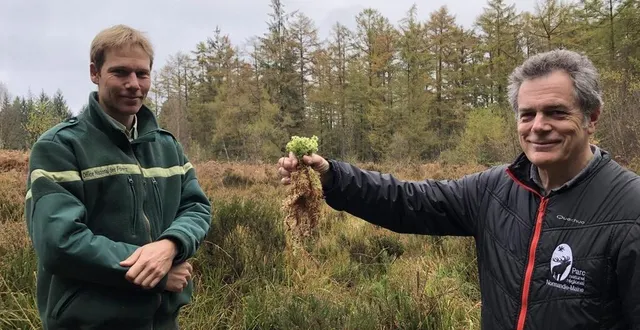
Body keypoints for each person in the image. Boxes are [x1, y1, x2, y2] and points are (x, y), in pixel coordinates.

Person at [277, 49, 640, 329]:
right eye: (527, 114)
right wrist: (331, 176)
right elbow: (408, 201)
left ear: (592, 118)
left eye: (557, 112)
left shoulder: (630, 208)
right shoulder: (496, 189)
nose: (538, 126)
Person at [24, 24, 212, 330]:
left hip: (162, 322)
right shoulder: (59, 147)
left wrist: (170, 245)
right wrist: (157, 273)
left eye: (142, 73)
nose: (133, 84)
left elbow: (197, 207)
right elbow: (59, 243)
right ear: (95, 73)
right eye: (120, 72)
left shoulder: (166, 146)